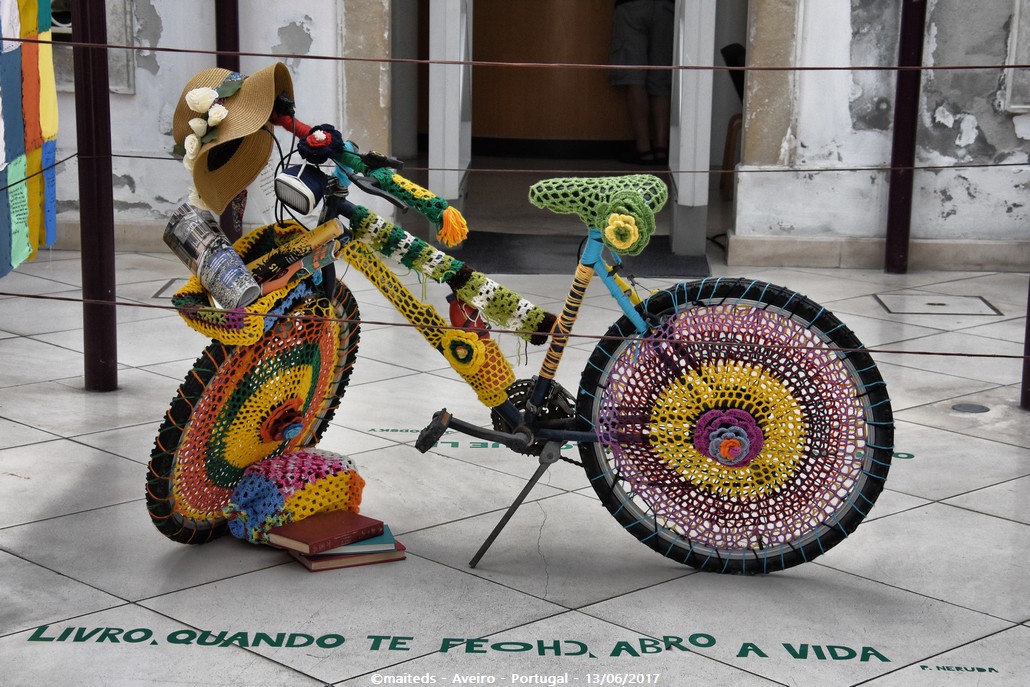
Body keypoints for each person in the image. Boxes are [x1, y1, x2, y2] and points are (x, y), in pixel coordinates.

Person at [609, 0, 675, 166]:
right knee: (661, 76)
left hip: (632, 4)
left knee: (634, 77)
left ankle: (644, 150)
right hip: (665, 6)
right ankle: (662, 148)